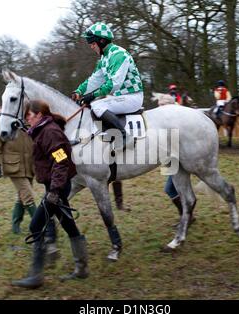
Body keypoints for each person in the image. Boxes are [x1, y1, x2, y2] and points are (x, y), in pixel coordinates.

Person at [12, 100, 88, 289]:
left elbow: (61, 161)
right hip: (54, 186)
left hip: (57, 188)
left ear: (39, 115)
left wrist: (54, 191)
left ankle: (36, 276)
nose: (27, 118)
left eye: (29, 115)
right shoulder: (42, 131)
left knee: (36, 225)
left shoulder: (50, 132)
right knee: (68, 224)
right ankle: (82, 268)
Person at [71, 22, 144, 150]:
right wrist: (79, 91)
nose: (91, 47)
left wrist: (92, 95)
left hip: (133, 97)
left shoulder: (118, 54)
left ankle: (124, 136)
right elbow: (94, 80)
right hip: (121, 97)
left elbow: (114, 84)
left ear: (102, 41)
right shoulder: (104, 59)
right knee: (95, 104)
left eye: (93, 43)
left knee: (97, 105)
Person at [0, 114, 39, 235]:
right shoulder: (5, 121)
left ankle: (15, 224)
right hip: (13, 166)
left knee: (21, 196)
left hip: (29, 166)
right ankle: (40, 226)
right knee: (28, 196)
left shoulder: (31, 120)